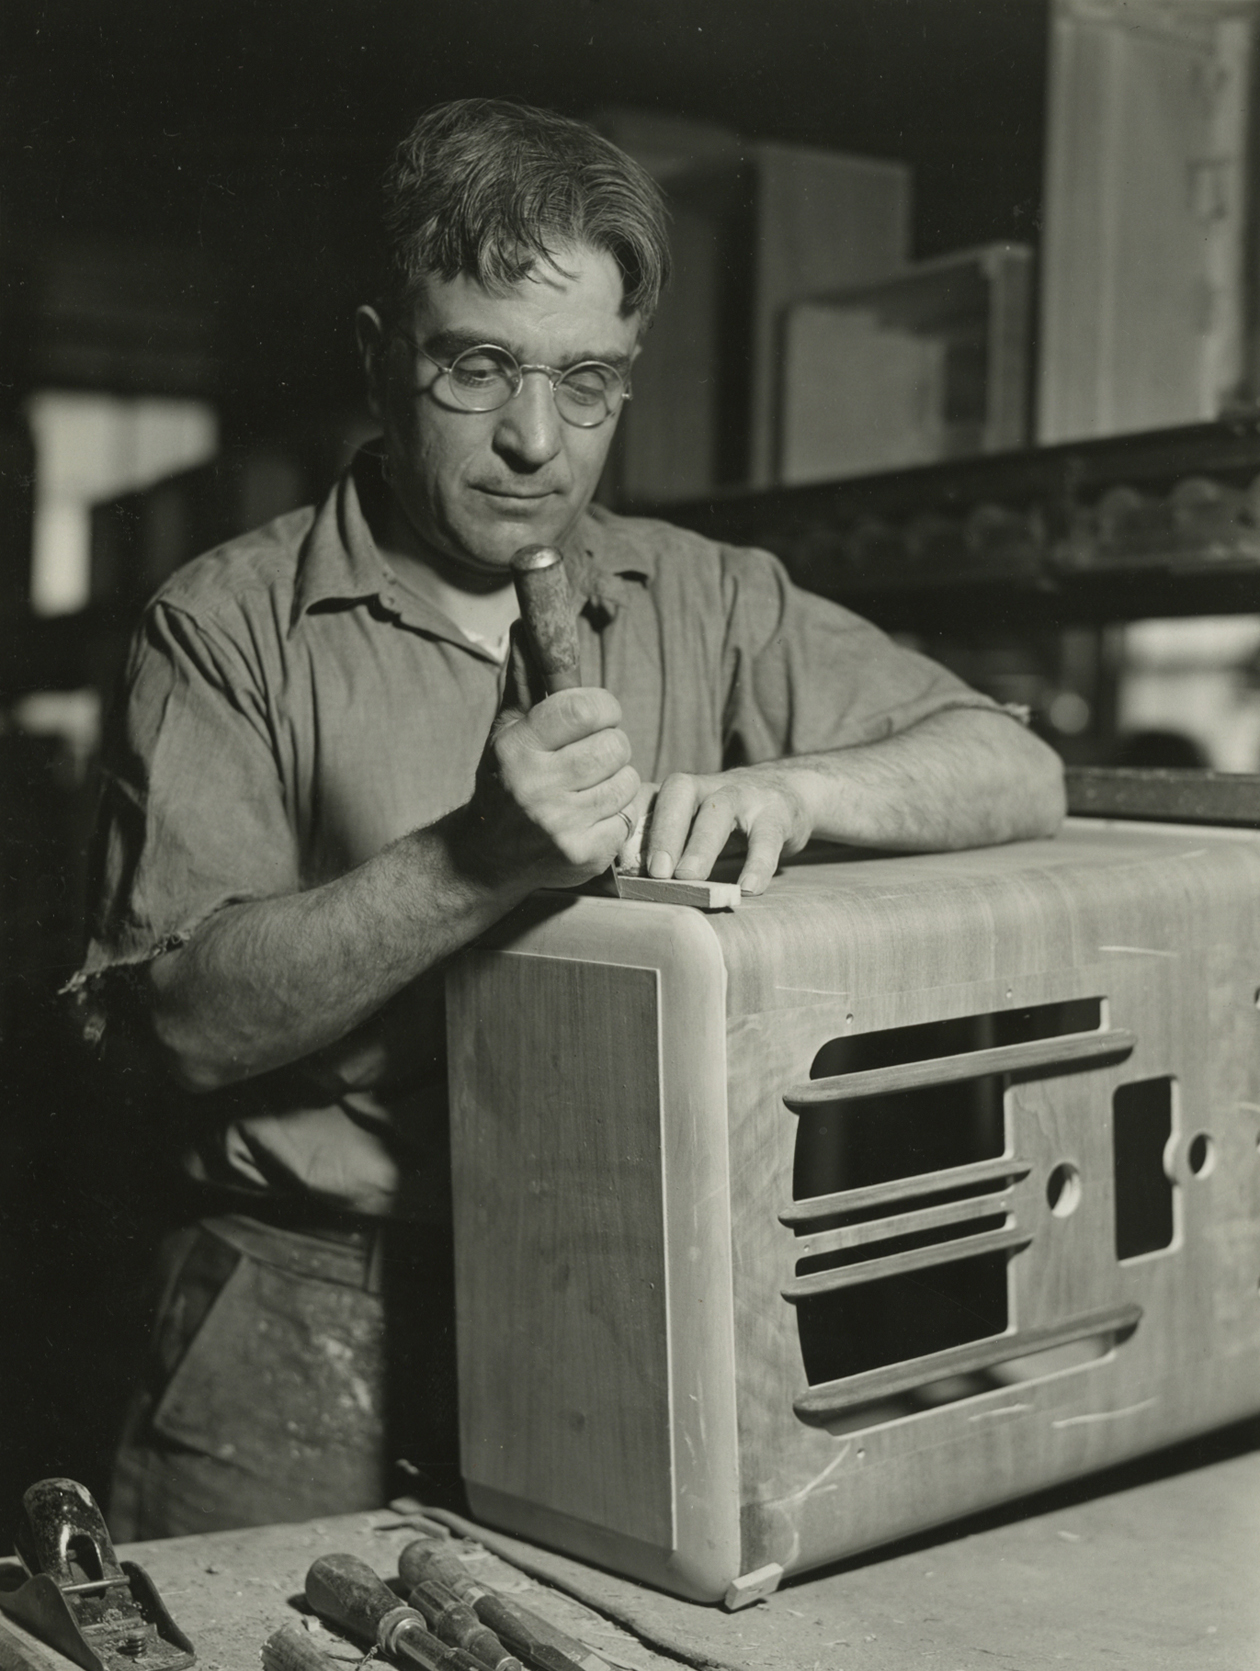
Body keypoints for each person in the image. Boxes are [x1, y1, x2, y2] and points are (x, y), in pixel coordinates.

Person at [71, 97, 1065, 1542]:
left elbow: (1014, 769)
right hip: (298, 1306)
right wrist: (471, 863)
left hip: (617, 1303)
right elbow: (175, 1026)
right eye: (479, 368)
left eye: (587, 382)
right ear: (377, 359)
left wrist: (792, 789)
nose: (536, 440)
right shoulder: (225, 625)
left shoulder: (708, 596)